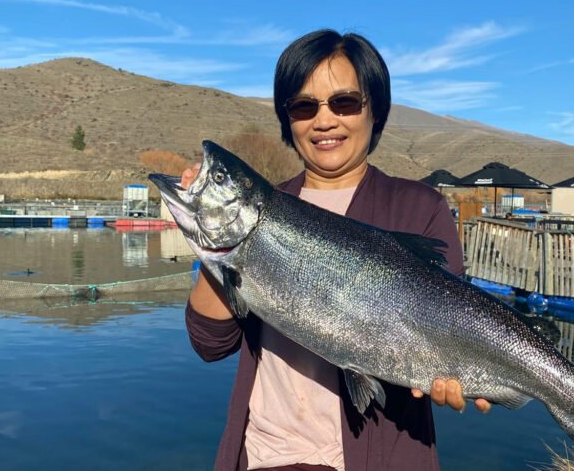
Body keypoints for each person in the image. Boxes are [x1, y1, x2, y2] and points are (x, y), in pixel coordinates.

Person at [182, 29, 490, 471]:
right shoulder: (262, 208)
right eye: (304, 106)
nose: (324, 121)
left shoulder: (419, 207)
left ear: (375, 110)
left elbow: (448, 322)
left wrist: (457, 371)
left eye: (344, 102)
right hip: (264, 458)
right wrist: (210, 227)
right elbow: (211, 344)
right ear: (287, 119)